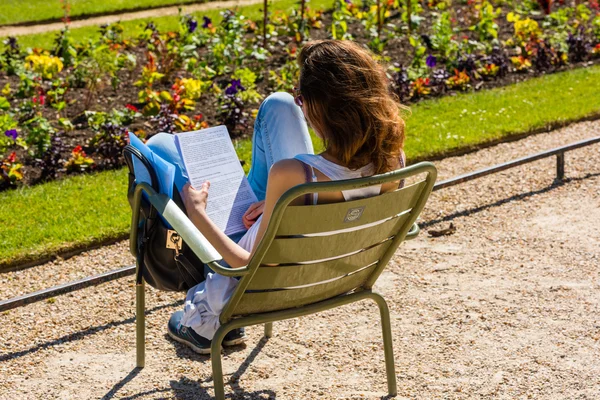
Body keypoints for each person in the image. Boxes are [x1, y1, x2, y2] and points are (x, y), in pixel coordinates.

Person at [153, 39, 407, 354]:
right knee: (279, 104)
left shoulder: (295, 174)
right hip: (319, 270)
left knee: (159, 145)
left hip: (257, 283)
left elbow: (246, 265)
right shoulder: (394, 159)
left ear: (322, 108)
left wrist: (197, 213)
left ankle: (205, 321)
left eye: (303, 99)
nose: (300, 106)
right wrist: (282, 205)